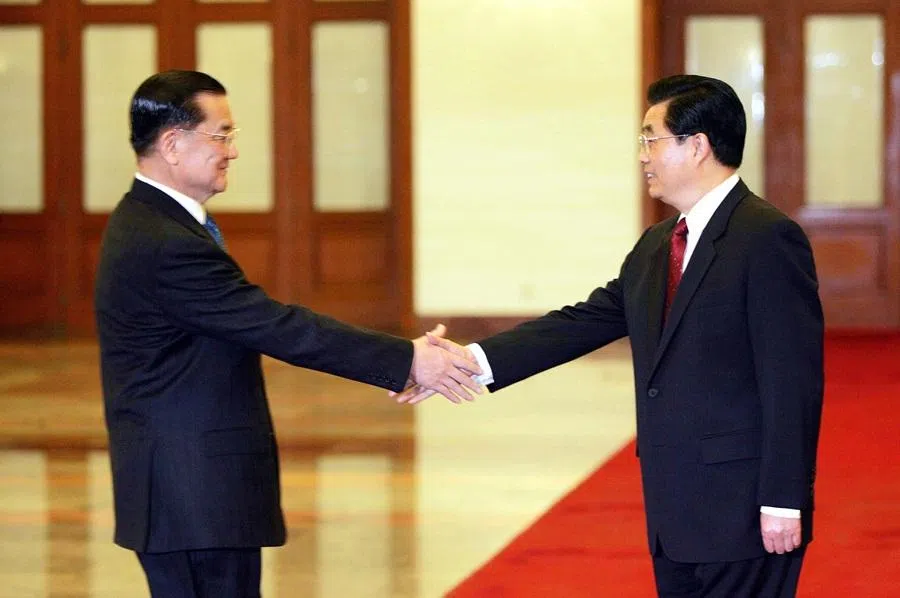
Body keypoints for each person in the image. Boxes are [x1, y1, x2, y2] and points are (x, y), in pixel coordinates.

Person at [400, 75, 824, 597]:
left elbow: (792, 381)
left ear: (697, 146)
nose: (642, 155)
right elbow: (583, 321)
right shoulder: (657, 244)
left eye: (651, 138)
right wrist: (470, 359)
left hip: (743, 509)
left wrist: (783, 499)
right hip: (675, 513)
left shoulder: (765, 238)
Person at [94, 69, 481, 598]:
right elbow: (277, 326)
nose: (232, 150)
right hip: (190, 496)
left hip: (190, 493)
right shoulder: (163, 241)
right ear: (172, 144)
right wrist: (407, 359)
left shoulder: (152, 223)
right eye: (221, 134)